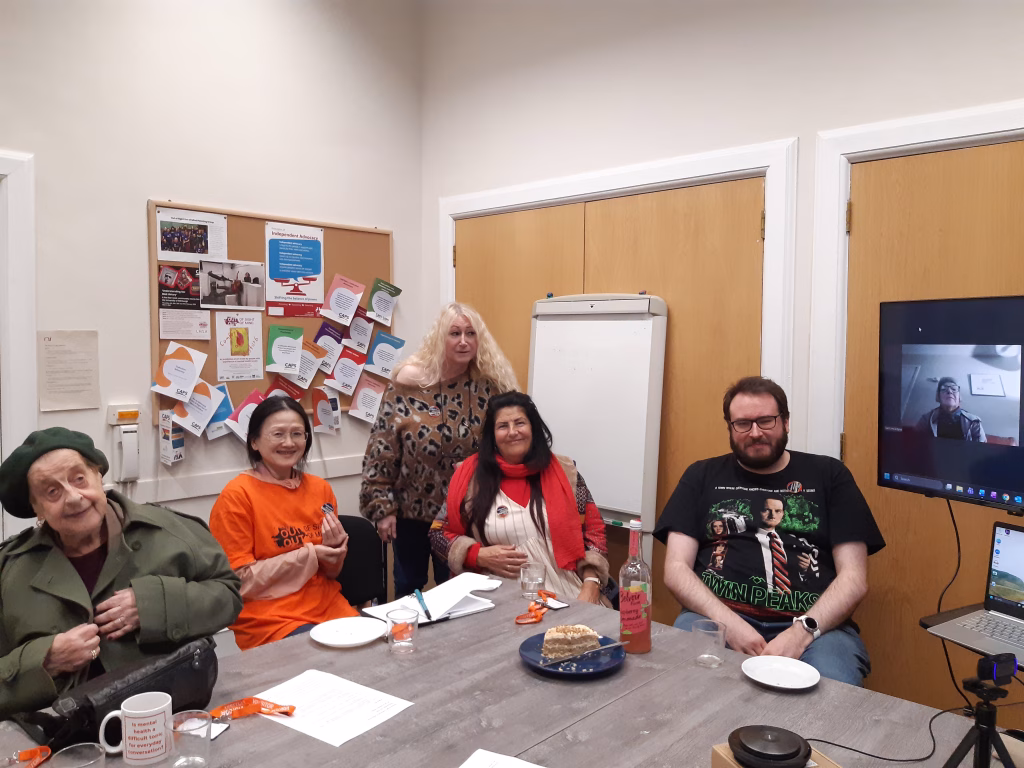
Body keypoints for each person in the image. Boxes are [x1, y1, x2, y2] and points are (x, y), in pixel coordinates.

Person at [654, 376, 885, 686]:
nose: (755, 433)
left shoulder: (829, 475)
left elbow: (854, 579)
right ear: (730, 427)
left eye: (766, 421)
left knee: (832, 694)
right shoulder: (701, 475)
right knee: (683, 686)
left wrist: (801, 633)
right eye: (743, 424)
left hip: (817, 628)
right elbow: (676, 569)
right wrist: (729, 624)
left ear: (786, 422)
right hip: (713, 618)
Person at [0, 428, 242, 717]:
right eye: (52, 492)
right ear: (36, 508)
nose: (74, 497)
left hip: (171, 711)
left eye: (79, 479)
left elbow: (228, 595)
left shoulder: (168, 530)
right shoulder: (10, 570)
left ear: (98, 476)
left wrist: (153, 606)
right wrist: (45, 660)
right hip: (56, 739)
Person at [360, 302, 518, 598]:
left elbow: (508, 442)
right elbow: (381, 448)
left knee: (461, 593)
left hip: (467, 512)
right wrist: (381, 507)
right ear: (439, 338)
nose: (463, 341)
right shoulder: (409, 383)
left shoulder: (490, 386)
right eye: (454, 333)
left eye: (470, 333)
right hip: (412, 513)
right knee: (409, 591)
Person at [430, 392, 609, 604]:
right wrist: (475, 555)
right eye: (503, 426)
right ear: (493, 435)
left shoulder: (566, 472)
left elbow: (594, 531)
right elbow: (438, 533)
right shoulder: (469, 478)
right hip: (496, 602)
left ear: (533, 428)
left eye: (520, 423)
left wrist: (591, 586)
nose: (513, 432)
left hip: (568, 596)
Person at [210, 397, 358, 649]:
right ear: (254, 441)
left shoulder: (320, 489)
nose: (289, 443)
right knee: (327, 665)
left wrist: (334, 553)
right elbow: (238, 583)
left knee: (379, 655)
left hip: (328, 605)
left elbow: (331, 573)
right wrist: (310, 555)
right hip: (270, 619)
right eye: (277, 434)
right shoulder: (237, 496)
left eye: (297, 434)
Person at [916, 377, 986, 441]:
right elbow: (916, 444)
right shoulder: (926, 419)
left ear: (959, 397)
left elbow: (981, 449)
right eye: (943, 389)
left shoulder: (974, 421)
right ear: (938, 397)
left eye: (954, 389)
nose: (949, 391)